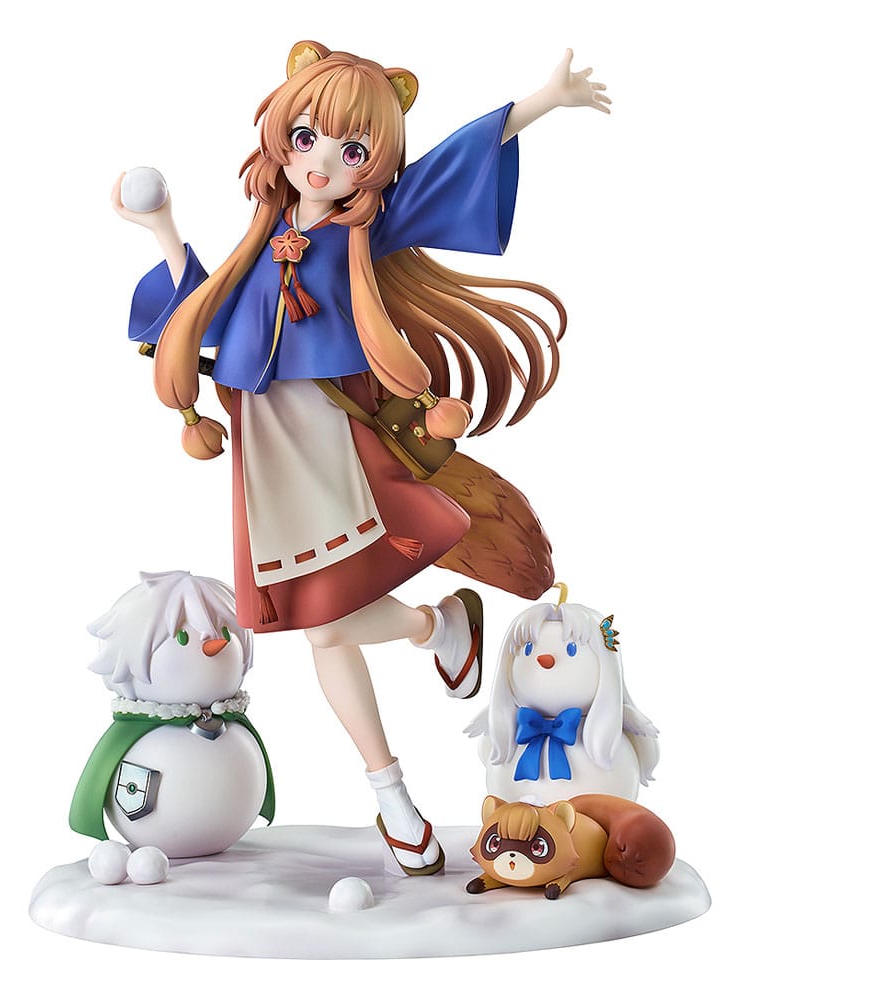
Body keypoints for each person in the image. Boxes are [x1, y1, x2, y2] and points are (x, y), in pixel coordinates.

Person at [114, 40, 610, 874]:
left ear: (372, 164)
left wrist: (539, 102)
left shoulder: (363, 230)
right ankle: (415, 710)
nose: (320, 162)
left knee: (324, 624)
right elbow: (202, 308)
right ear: (281, 135)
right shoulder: (263, 235)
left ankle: (404, 752)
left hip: (334, 436)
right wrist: (161, 228)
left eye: (351, 150)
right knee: (321, 632)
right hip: (264, 447)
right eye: (305, 137)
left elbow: (449, 169)